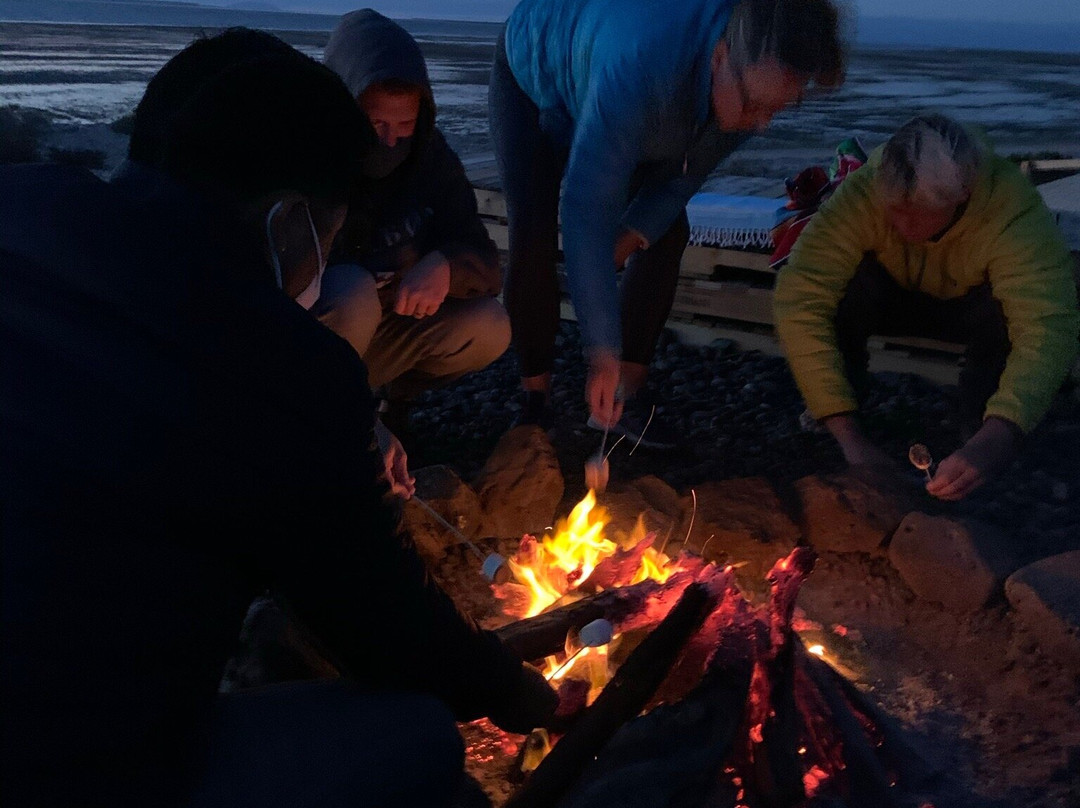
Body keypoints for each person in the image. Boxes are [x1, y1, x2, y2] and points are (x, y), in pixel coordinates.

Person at [0, 32, 556, 808]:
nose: (321, 264)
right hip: (66, 771)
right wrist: (519, 693)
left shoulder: (20, 204)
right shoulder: (277, 364)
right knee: (419, 735)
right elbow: (381, 624)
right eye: (326, 237)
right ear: (289, 220)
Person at [489, 0, 845, 446]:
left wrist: (631, 235)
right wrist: (600, 349)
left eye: (777, 109)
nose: (761, 124)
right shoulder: (640, 68)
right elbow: (584, 209)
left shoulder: (745, 89)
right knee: (533, 234)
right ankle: (535, 401)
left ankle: (625, 397)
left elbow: (682, 178)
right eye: (756, 105)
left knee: (666, 230)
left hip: (625, 79)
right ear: (719, 57)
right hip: (535, 65)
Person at [773, 114, 1080, 501]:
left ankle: (983, 434)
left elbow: (1047, 324)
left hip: (972, 309)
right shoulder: (866, 190)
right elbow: (801, 293)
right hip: (892, 296)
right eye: (892, 208)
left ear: (963, 194)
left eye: (913, 212)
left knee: (1011, 319)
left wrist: (1000, 435)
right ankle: (837, 420)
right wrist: (847, 434)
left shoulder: (1011, 208)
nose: (898, 222)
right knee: (837, 292)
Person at [318, 9, 510, 438]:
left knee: (490, 326)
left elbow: (483, 258)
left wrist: (444, 264)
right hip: (313, 345)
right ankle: (322, 421)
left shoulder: (430, 158)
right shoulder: (310, 161)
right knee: (351, 289)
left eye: (404, 124)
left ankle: (393, 400)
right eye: (376, 123)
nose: (391, 141)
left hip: (386, 336)